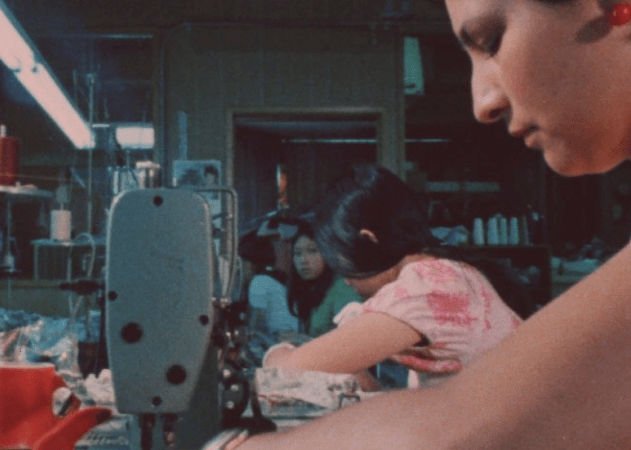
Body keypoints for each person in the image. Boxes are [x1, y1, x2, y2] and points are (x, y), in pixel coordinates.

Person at [200, 1, 631, 448]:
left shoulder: (424, 284)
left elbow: (455, 423)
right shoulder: (448, 272)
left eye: (492, 42)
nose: (481, 102)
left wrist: (263, 381)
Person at [263, 165, 535, 390]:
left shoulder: (420, 289)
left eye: (344, 266)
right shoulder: (450, 270)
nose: (346, 281)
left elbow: (284, 373)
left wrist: (278, 351)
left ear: (369, 240)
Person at [286, 221, 361, 338]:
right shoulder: (310, 289)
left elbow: (352, 339)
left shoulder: (342, 287)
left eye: (312, 251)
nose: (303, 260)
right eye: (298, 253)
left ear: (328, 253)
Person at [238, 231, 297, 336]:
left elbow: (254, 327)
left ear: (250, 264)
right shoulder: (275, 278)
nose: (239, 269)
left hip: (282, 338)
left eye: (242, 262)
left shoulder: (259, 282)